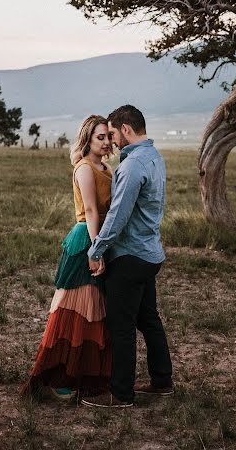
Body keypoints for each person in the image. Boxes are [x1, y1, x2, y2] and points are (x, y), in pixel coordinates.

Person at [80, 105, 174, 409]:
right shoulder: (155, 158)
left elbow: (118, 215)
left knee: (121, 326)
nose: (112, 141)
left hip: (131, 256)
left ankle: (120, 394)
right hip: (150, 254)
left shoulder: (132, 165)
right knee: (149, 319)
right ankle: (162, 382)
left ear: (126, 130)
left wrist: (97, 249)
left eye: (114, 133)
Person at [20, 115, 113, 401]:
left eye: (109, 137)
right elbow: (92, 211)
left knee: (94, 311)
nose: (107, 142)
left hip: (100, 237)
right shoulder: (84, 168)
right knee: (74, 310)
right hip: (86, 238)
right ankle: (60, 378)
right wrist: (95, 251)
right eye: (100, 137)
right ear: (87, 138)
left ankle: (86, 375)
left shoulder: (106, 167)